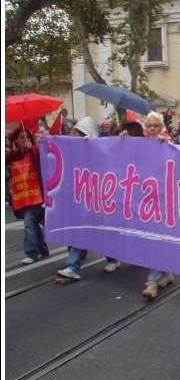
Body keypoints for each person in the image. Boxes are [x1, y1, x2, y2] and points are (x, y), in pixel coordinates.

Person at [57, 117, 122, 279]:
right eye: (77, 133)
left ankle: (112, 258)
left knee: (102, 233)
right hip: (83, 201)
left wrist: (92, 147)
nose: (78, 136)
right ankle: (72, 267)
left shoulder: (101, 149)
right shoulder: (74, 151)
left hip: (100, 200)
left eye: (81, 133)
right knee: (81, 232)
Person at [141, 112, 175, 298]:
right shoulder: (139, 144)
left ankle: (152, 282)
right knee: (152, 239)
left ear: (161, 127)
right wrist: (123, 140)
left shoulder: (166, 143)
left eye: (155, 125)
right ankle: (167, 272)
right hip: (144, 198)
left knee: (155, 238)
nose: (152, 129)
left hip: (163, 200)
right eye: (149, 126)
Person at [6, 127, 48, 264]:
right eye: (21, 137)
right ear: (15, 141)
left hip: (36, 195)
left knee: (29, 222)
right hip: (21, 198)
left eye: (27, 137)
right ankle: (42, 248)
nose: (25, 140)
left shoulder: (34, 151)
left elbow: (41, 162)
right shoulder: (12, 155)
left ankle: (31, 252)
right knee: (34, 224)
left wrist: (32, 149)